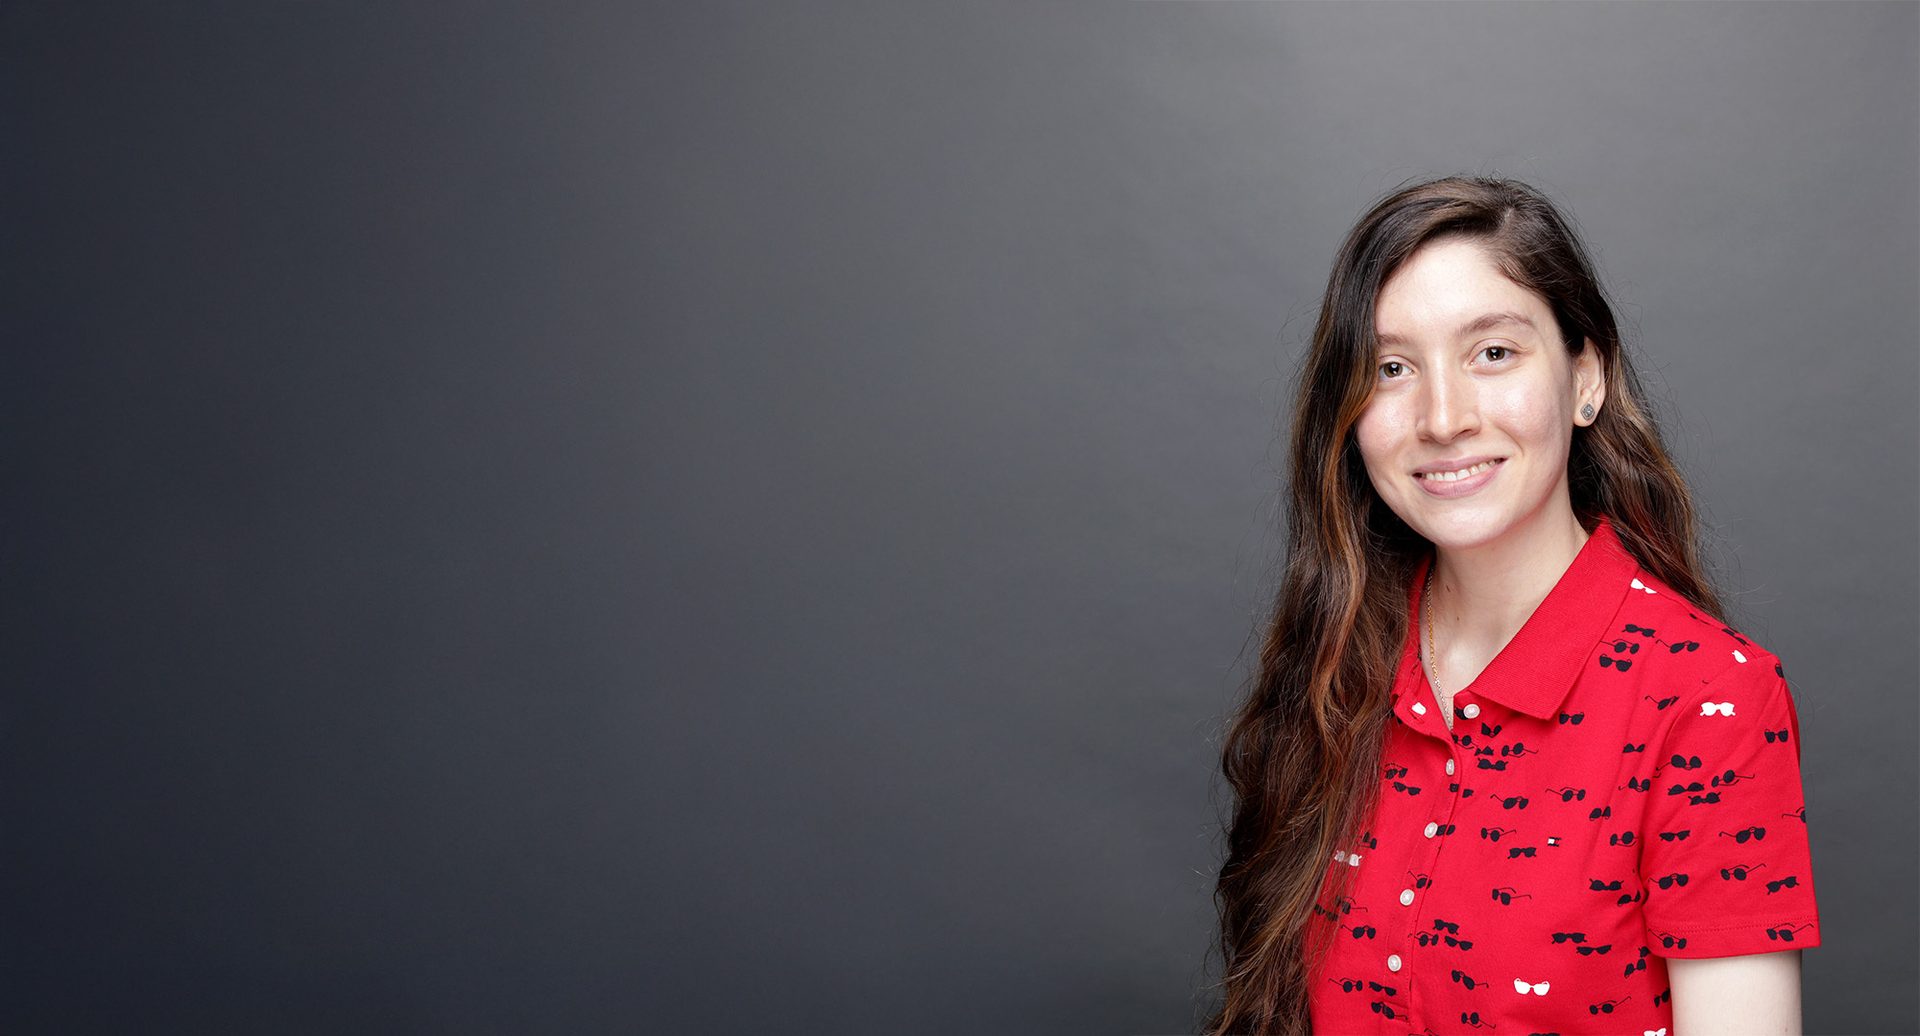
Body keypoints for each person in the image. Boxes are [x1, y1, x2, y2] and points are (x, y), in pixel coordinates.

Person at [1206, 176, 1820, 1035]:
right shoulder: (1341, 666)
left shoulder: (1709, 697)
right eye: (1391, 368)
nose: (1443, 417)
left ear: (1585, 380)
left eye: (1493, 352)